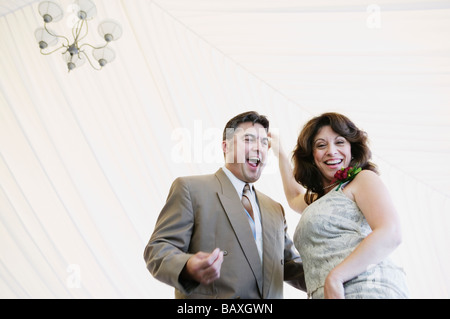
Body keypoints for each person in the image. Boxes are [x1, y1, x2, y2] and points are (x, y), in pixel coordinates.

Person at [144, 111, 306, 299]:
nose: (259, 148)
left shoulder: (274, 208)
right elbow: (158, 249)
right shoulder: (190, 189)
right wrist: (187, 266)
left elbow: (289, 265)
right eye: (248, 139)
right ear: (225, 147)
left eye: (264, 143)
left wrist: (337, 276)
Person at [271, 112, 409, 299]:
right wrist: (279, 152)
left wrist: (335, 277)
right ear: (312, 156)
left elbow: (390, 232)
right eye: (321, 145)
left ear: (352, 148)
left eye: (340, 142)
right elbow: (294, 196)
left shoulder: (362, 179)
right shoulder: (321, 199)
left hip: (367, 288)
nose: (331, 151)